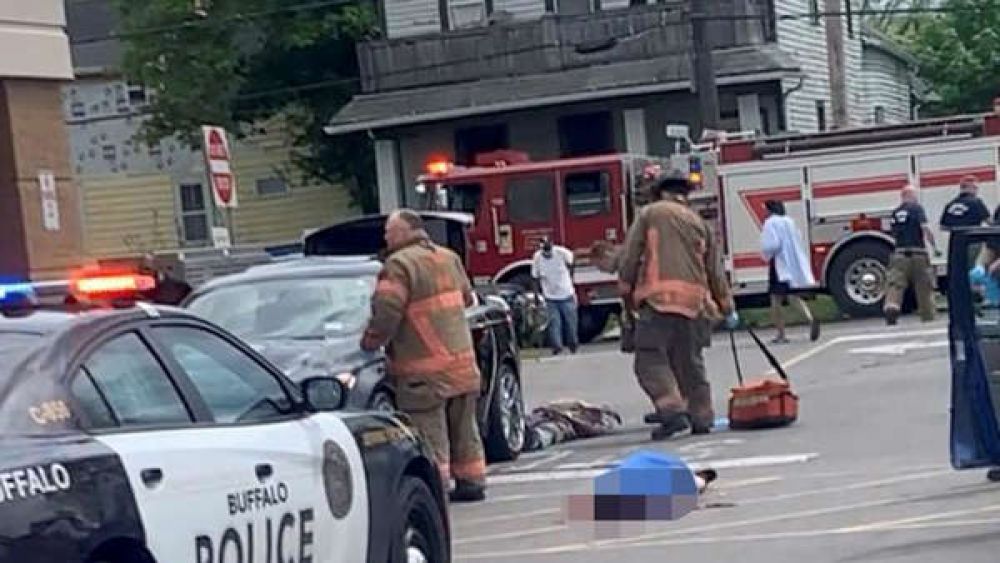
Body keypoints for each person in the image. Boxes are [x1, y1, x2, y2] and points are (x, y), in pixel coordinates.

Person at [361, 209, 487, 502]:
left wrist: (371, 341)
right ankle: (473, 482)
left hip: (425, 372)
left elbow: (388, 311)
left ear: (405, 232)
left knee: (430, 435)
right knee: (464, 430)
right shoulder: (448, 258)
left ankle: (435, 490)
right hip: (463, 365)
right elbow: (467, 298)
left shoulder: (398, 265)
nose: (385, 237)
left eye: (389, 232)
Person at [618, 172, 738, 440]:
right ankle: (702, 416)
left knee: (650, 359)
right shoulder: (699, 222)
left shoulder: (651, 214)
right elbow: (715, 270)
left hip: (658, 300)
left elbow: (631, 254)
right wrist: (727, 306)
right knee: (689, 362)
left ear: (660, 192)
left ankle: (672, 412)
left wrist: (625, 288)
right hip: (695, 304)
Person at [760, 200, 820, 343]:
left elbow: (772, 244)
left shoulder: (770, 223)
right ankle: (810, 318)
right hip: (791, 264)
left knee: (775, 300)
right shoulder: (789, 222)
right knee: (792, 296)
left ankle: (781, 334)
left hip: (778, 263)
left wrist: (765, 253)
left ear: (770, 210)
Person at [884, 185, 940, 326]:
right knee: (924, 287)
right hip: (918, 253)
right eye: (914, 195)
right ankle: (927, 315)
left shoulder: (895, 213)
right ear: (909, 195)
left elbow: (894, 233)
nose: (916, 197)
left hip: (900, 253)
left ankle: (892, 306)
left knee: (895, 284)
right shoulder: (917, 209)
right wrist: (934, 247)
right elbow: (925, 228)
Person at [531, 238, 579, 355]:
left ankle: (573, 345)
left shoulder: (562, 253)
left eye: (548, 249)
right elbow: (535, 277)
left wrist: (571, 278)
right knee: (554, 323)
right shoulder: (537, 258)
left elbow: (573, 260)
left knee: (570, 323)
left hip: (566, 295)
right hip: (550, 297)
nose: (547, 253)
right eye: (544, 250)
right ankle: (557, 347)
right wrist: (536, 296)